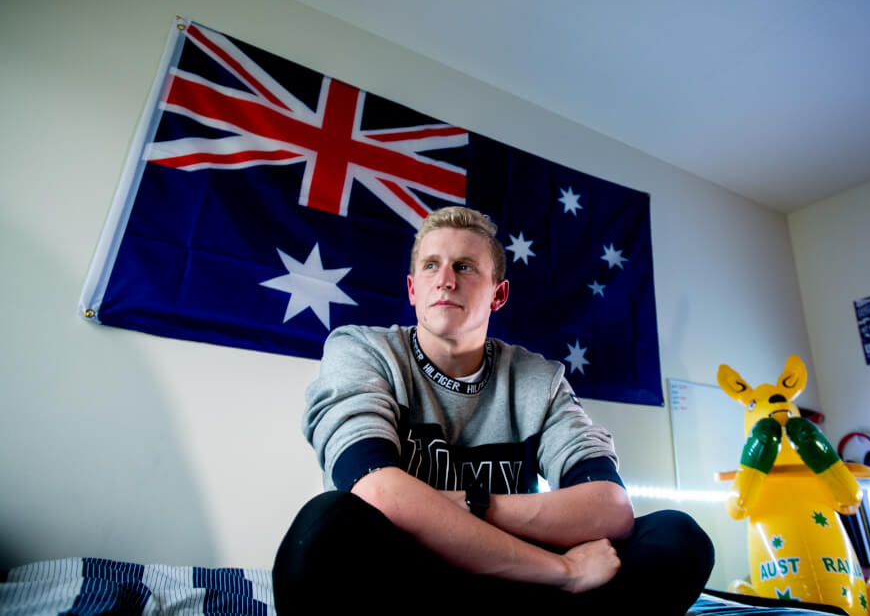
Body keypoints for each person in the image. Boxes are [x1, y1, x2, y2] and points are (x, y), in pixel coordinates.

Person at [273, 206, 713, 612]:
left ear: (498, 295)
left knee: (676, 536)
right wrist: (563, 571)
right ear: (412, 289)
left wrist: (466, 505)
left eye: (464, 267)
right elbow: (371, 491)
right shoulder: (361, 349)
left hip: (514, 576)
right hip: (411, 577)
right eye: (431, 266)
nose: (446, 279)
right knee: (324, 530)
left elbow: (610, 508)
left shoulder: (539, 379)